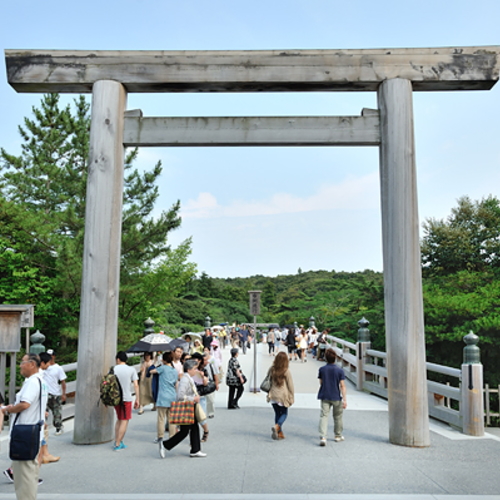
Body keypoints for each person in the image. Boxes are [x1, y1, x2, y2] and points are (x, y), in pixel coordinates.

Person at [3, 353, 48, 500]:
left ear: (32, 364)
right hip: (34, 432)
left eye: (23, 363)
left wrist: (8, 409)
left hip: (25, 433)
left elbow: (25, 404)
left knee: (24, 478)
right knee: (30, 474)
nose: (20, 366)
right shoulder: (42, 381)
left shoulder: (31, 382)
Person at [160, 359, 206, 458]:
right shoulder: (185, 379)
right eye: (194, 368)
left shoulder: (188, 378)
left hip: (190, 405)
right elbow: (180, 396)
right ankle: (165, 444)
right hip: (186, 406)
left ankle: (195, 449)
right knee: (184, 431)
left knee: (194, 428)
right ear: (188, 369)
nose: (195, 370)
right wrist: (193, 398)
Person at [318, 348, 347, 446]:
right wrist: (345, 400)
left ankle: (323, 437)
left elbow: (321, 382)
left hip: (325, 395)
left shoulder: (322, 369)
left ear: (326, 358)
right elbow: (342, 385)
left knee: (324, 416)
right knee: (338, 417)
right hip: (336, 396)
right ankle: (337, 436)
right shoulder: (339, 371)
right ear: (335, 358)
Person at [148, 351, 178, 444]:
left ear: (164, 360)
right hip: (172, 395)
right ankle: (172, 437)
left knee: (161, 418)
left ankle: (160, 436)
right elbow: (176, 384)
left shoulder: (162, 368)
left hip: (163, 396)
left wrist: (157, 362)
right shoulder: (174, 370)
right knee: (171, 419)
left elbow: (151, 371)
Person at [113, 351, 140, 451]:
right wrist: (137, 398)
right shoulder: (131, 369)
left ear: (118, 359)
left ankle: (117, 439)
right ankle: (118, 443)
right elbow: (136, 385)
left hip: (116, 398)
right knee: (125, 420)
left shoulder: (113, 369)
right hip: (126, 398)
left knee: (119, 419)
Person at [266, 352, 294, 440]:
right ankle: (277, 426)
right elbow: (290, 385)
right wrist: (292, 396)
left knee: (277, 413)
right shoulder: (286, 371)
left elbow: (268, 379)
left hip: (273, 395)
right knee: (284, 414)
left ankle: (279, 433)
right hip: (282, 396)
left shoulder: (272, 369)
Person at [44, 349, 67, 436]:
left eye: (51, 355)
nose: (50, 357)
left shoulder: (58, 368)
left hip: (55, 393)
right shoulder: (43, 367)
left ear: (54, 356)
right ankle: (44, 427)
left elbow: (63, 381)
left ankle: (58, 427)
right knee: (43, 411)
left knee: (56, 412)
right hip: (45, 393)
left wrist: (64, 394)